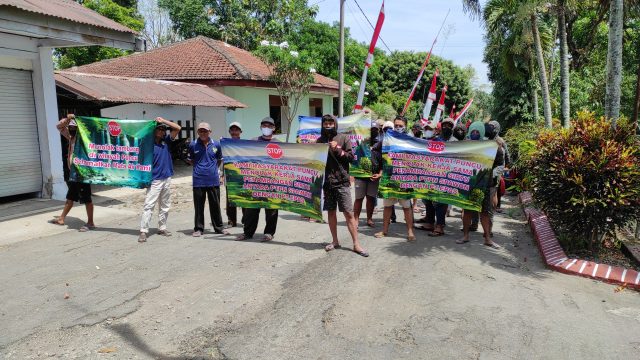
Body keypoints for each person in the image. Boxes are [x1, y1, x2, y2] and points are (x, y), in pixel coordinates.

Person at [317, 114, 368, 257]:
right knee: (331, 212)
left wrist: (338, 149)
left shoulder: (344, 138)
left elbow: (351, 158)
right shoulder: (319, 140)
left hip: (342, 182)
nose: (328, 125)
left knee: (348, 213)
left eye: (330, 123)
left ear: (335, 124)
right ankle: (335, 241)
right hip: (327, 183)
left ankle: (356, 244)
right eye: (325, 123)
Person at [456, 121, 500, 248]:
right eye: (473, 132)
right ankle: (465, 236)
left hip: (485, 184)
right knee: (468, 210)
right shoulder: (466, 145)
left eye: (478, 132)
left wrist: (497, 147)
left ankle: (487, 238)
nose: (475, 134)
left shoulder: (490, 146)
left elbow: (497, 161)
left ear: (481, 133)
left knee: (484, 212)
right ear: (470, 132)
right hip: (469, 183)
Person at [236, 117, 280, 241]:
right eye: (264, 125)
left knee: (271, 209)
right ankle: (248, 233)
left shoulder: (279, 144)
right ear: (261, 127)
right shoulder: (253, 141)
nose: (267, 128)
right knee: (251, 208)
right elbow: (243, 154)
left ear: (274, 128)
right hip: (255, 182)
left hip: (272, 182)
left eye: (269, 126)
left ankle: (269, 233)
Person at [137, 117, 181, 243]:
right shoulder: (148, 144)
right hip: (155, 179)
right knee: (149, 205)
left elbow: (177, 128)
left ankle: (162, 227)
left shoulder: (166, 141)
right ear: (154, 131)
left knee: (165, 205)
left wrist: (164, 121)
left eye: (163, 129)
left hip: (167, 177)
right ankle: (143, 231)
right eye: (160, 129)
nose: (163, 132)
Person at [49, 114, 95, 232]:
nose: (72, 130)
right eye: (70, 127)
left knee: (86, 198)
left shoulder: (84, 138)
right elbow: (59, 126)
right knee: (70, 196)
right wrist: (68, 119)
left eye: (74, 128)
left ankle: (90, 223)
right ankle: (62, 218)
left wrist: (77, 120)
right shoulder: (71, 137)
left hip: (83, 173)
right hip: (73, 173)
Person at [374, 115, 416, 242]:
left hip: (404, 178)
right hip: (389, 178)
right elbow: (379, 154)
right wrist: (381, 172)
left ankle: (410, 231)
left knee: (406, 207)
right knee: (387, 207)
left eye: (400, 126)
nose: (398, 127)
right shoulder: (387, 138)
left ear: (405, 126)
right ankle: (385, 230)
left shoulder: (410, 140)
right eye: (396, 125)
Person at [414, 117, 455, 236]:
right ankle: (430, 222)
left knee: (440, 201)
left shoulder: (456, 141)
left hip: (447, 175)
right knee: (428, 198)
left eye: (449, 125)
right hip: (432, 173)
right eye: (444, 125)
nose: (446, 127)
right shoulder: (436, 139)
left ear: (452, 128)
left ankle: (440, 226)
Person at [188, 122, 228, 237]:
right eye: (200, 131)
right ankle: (199, 229)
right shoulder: (193, 144)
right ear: (197, 132)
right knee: (199, 206)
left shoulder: (216, 144)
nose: (203, 133)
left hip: (213, 180)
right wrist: (200, 168)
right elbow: (191, 160)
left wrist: (214, 171)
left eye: (205, 131)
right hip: (198, 180)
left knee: (215, 205)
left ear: (210, 132)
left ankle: (219, 228)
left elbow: (219, 159)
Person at [353, 121, 383, 228]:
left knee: (371, 198)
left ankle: (369, 219)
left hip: (373, 176)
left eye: (375, 130)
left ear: (378, 131)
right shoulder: (360, 141)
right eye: (371, 129)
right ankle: (355, 219)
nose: (373, 131)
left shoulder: (381, 143)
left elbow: (384, 161)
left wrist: (380, 174)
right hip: (360, 175)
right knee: (359, 198)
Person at [225, 121, 245, 227]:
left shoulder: (245, 144)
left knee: (244, 197)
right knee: (231, 199)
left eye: (236, 129)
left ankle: (245, 218)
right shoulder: (225, 144)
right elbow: (222, 160)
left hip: (243, 175)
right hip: (230, 175)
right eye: (232, 130)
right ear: (229, 131)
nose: (234, 131)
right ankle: (231, 220)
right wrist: (222, 175)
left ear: (240, 131)